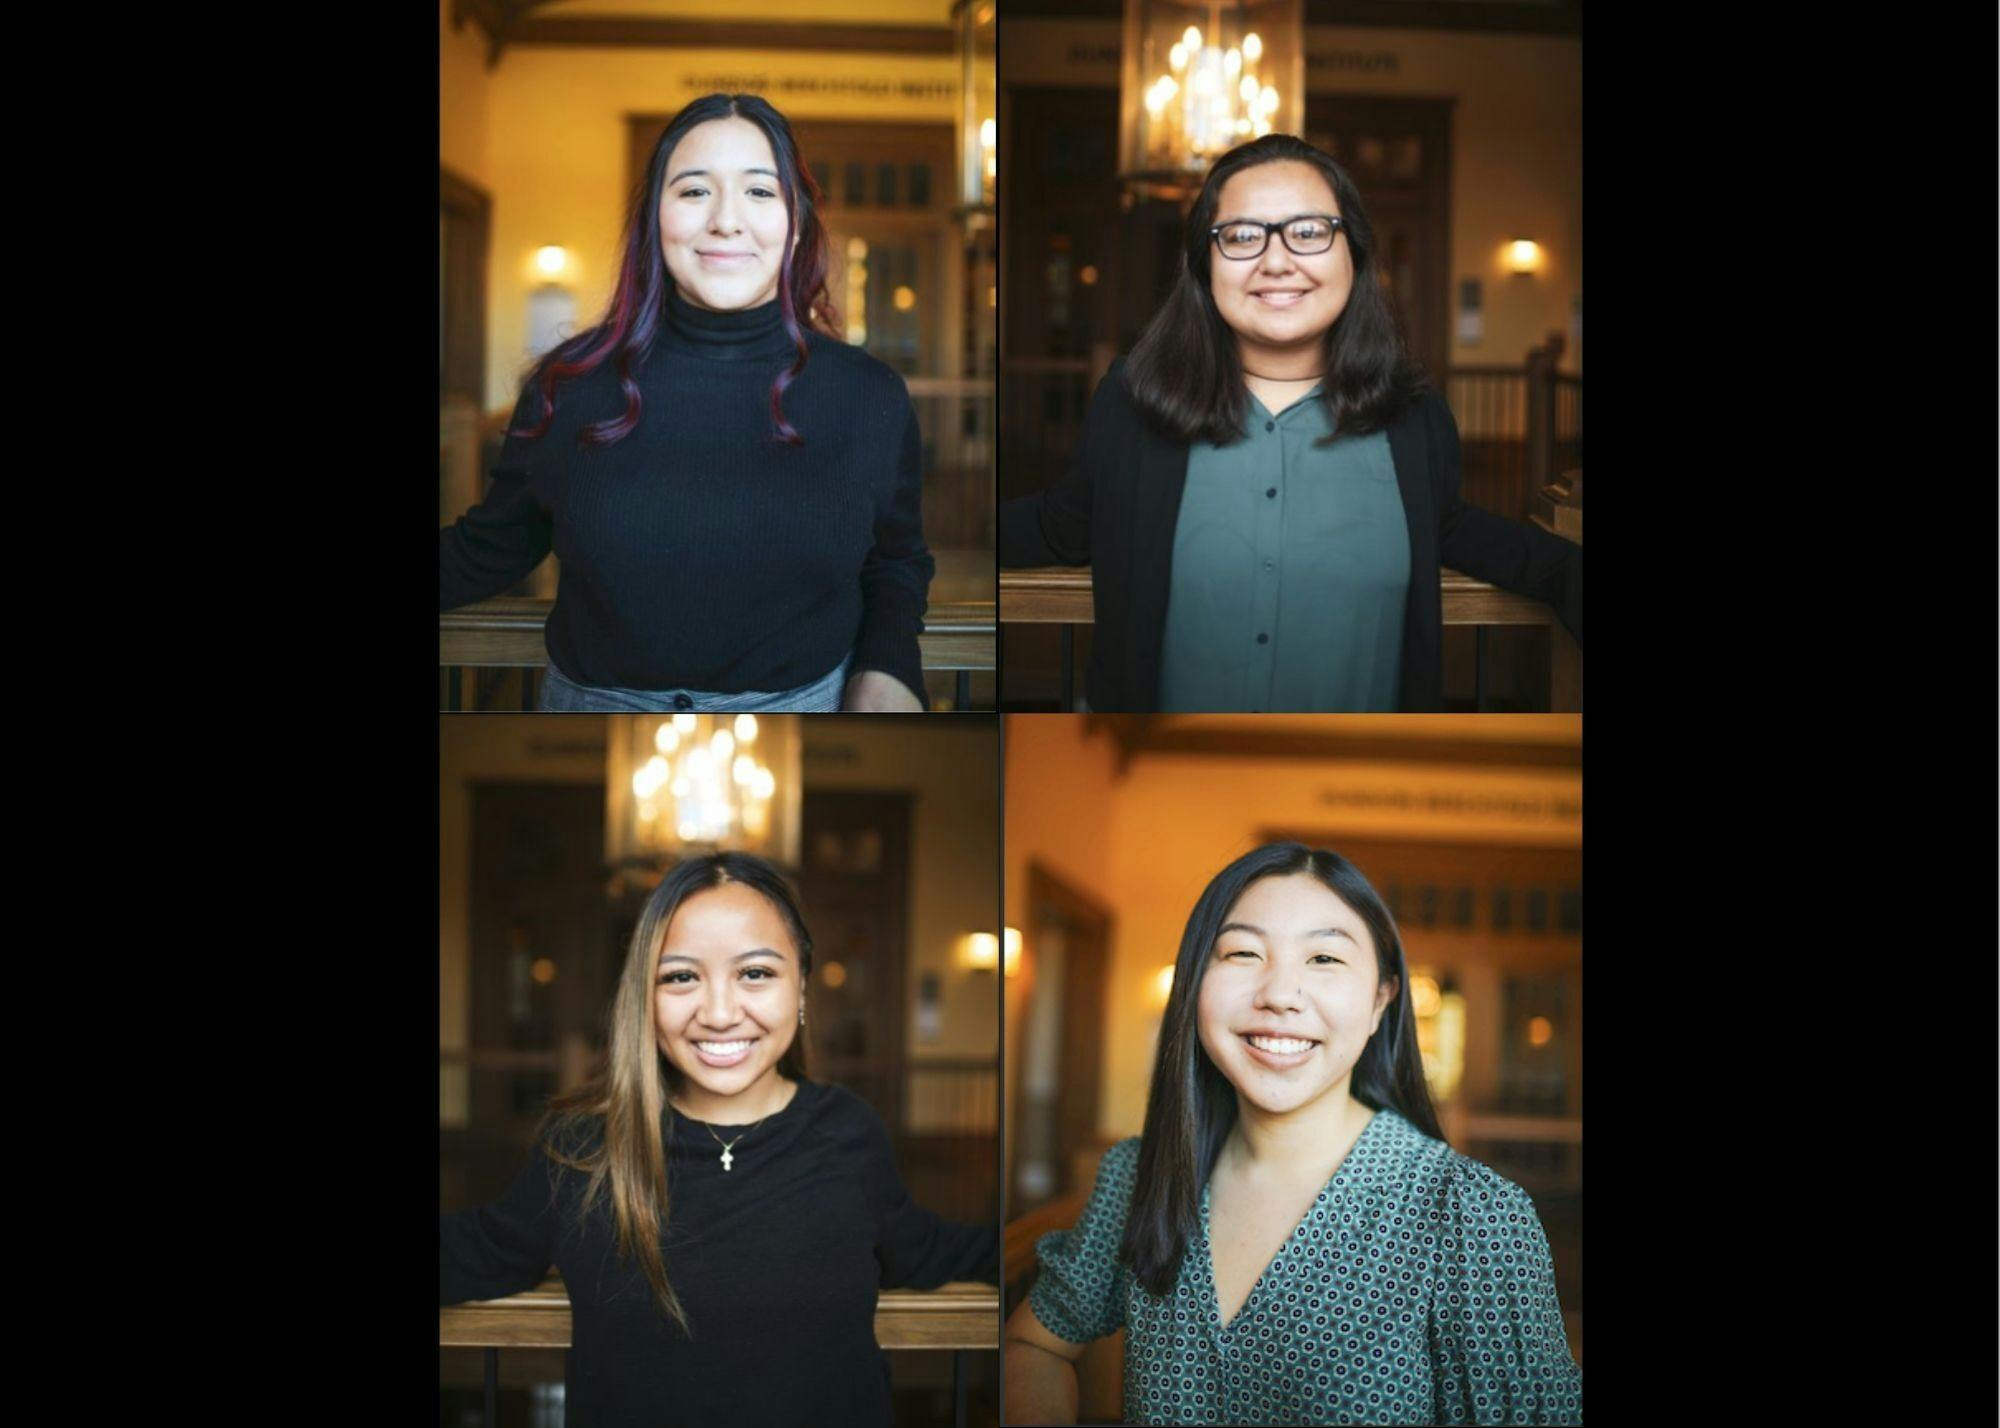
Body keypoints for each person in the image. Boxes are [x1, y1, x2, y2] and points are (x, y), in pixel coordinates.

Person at [998, 133, 1582, 712]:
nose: (1276, 261)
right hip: (1160, 784)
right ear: (1205, 263)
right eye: (1243, 236)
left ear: (1353, 251)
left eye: (1308, 232)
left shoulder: (1413, 417)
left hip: (1351, 786)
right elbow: (1063, 523)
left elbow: (1451, 528)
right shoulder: (1132, 404)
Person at [1002, 843, 1582, 1426]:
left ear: (1382, 999)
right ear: (1194, 982)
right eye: (1243, 952)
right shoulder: (1141, 1174)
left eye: (1324, 959)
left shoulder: (1471, 1213)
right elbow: (1035, 1344)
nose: (1279, 995)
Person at [441, 852, 997, 1426]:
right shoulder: (582, 1147)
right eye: (681, 977)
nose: (721, 1013)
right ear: (645, 999)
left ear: (801, 987)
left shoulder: (850, 1132)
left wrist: (1040, 1253)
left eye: (755, 973)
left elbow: (922, 1247)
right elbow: (479, 1250)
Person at [441, 93, 933, 712]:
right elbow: (492, 548)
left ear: (796, 222)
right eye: (695, 191)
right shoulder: (568, 385)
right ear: (655, 218)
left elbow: (896, 563)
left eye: (759, 192)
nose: (726, 220)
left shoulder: (868, 395)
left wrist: (888, 669)